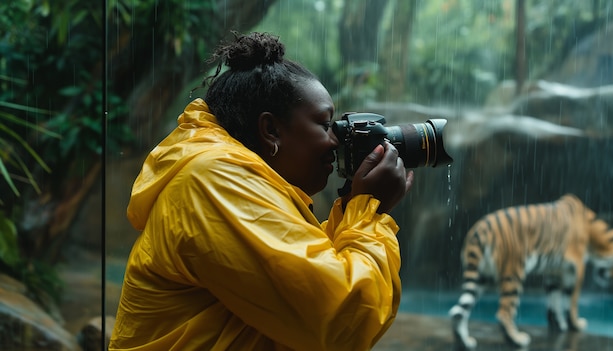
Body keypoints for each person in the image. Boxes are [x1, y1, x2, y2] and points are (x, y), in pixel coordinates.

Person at [109, 31, 414, 351]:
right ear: (270, 130)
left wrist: (352, 205)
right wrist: (369, 210)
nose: (334, 142)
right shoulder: (213, 182)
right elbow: (341, 320)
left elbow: (308, 274)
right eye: (324, 124)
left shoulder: (224, 176)